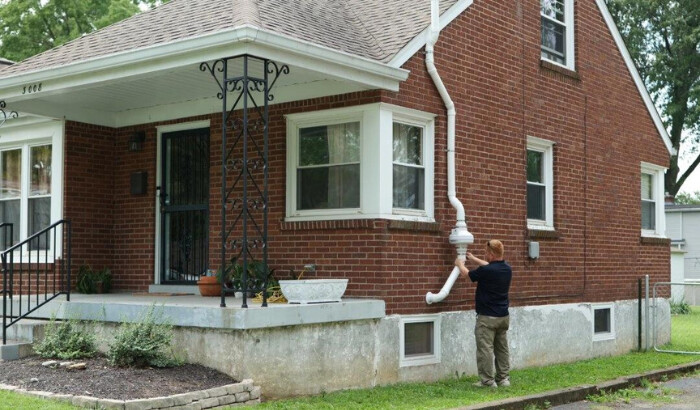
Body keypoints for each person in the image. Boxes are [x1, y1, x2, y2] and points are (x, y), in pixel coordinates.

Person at [455, 239, 512, 388]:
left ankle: (487, 381)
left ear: (492, 254)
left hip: (487, 318)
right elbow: (488, 266)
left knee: (485, 349)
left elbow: (467, 275)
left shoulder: (487, 271)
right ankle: (503, 379)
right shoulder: (506, 268)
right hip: (503, 317)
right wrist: (473, 259)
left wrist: (459, 264)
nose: (485, 255)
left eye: (487, 253)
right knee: (501, 349)